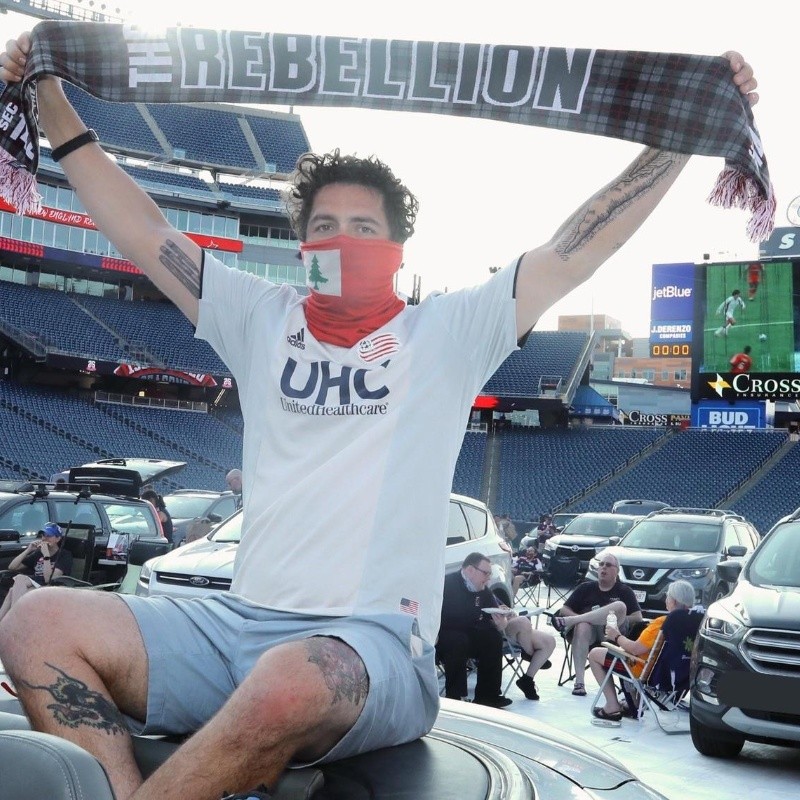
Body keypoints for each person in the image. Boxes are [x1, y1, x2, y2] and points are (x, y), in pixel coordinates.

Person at [0, 31, 757, 800]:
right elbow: (145, 231)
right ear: (302, 248)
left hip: (372, 646)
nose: (343, 241)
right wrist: (54, 104)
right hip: (240, 622)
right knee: (35, 623)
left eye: (365, 229)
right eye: (324, 227)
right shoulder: (259, 317)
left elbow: (572, 251)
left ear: (396, 249)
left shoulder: (444, 334)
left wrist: (679, 139)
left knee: (293, 677)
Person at [587, 579, 696, 722]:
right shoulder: (695, 624)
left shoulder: (663, 623)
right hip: (678, 676)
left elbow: (635, 648)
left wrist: (616, 635)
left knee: (595, 654)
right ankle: (635, 703)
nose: (666, 599)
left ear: (674, 601)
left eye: (667, 596)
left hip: (645, 670)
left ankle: (612, 705)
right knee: (626, 656)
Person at [546, 552, 643, 696]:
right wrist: (585, 618)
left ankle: (578, 620)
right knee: (583, 624)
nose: (603, 568)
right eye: (601, 564)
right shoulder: (585, 588)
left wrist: (614, 617)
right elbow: (565, 609)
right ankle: (579, 683)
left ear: (616, 571)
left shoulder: (624, 590)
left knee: (620, 606)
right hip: (587, 634)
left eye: (608, 565)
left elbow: (638, 618)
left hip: (613, 633)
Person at [436, 552, 512, 708]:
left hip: (471, 633)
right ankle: (456, 695)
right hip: (445, 635)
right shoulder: (446, 584)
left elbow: (499, 620)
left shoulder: (483, 589)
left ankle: (488, 695)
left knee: (493, 638)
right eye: (486, 573)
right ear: (470, 570)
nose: (488, 578)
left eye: (489, 574)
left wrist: (501, 622)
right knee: (458, 640)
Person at [0, 523, 73, 624]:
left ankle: (15, 618)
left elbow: (49, 579)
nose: (44, 538)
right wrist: (28, 549)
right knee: (13, 590)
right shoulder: (38, 553)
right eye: (43, 535)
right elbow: (12, 567)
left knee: (20, 579)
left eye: (49, 536)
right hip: (36, 583)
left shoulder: (64, 555)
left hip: (51, 586)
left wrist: (46, 556)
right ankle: (3, 624)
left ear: (57, 539)